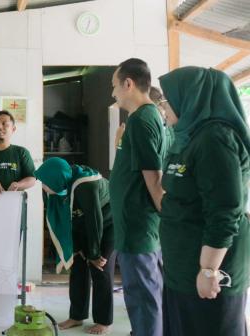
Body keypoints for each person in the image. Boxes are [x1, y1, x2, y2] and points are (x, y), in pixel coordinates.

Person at [159, 66, 250, 336]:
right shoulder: (189, 137)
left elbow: (225, 209)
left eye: (167, 99)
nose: (163, 107)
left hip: (209, 274)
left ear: (192, 97)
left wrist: (209, 270)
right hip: (184, 270)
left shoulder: (215, 139)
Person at [109, 58, 164, 336]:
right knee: (143, 294)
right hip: (136, 226)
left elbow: (154, 178)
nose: (113, 93)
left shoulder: (142, 119)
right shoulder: (144, 118)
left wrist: (169, 220)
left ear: (128, 83)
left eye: (115, 86)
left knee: (143, 297)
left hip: (139, 228)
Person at [35, 158, 114, 335]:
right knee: (77, 266)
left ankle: (103, 320)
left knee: (100, 269)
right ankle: (77, 316)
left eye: (45, 182)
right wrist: (75, 247)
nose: (43, 186)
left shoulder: (86, 185)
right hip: (79, 224)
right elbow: (58, 220)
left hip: (108, 223)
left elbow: (95, 221)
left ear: (57, 178)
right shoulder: (50, 187)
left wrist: (94, 254)